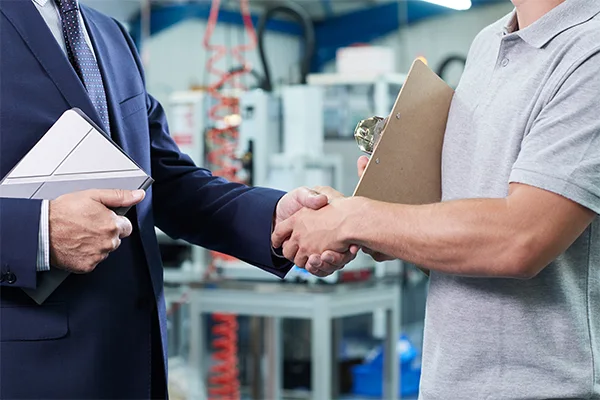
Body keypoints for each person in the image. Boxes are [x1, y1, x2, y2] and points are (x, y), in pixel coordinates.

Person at [0, 1, 354, 398]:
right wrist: (39, 232)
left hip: (133, 364)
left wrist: (273, 218)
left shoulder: (110, 36)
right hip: (25, 371)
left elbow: (166, 180)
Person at [273, 0, 600, 398]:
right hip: (446, 384)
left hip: (547, 389)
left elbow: (521, 239)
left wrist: (354, 218)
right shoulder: (486, 43)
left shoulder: (590, 49)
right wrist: (372, 211)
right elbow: (457, 240)